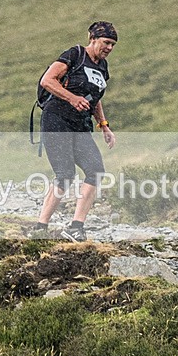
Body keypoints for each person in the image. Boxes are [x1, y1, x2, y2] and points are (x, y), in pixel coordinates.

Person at [30, 21, 118, 242]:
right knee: (65, 173)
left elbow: (95, 99)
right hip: (56, 119)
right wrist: (71, 97)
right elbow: (47, 80)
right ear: (93, 39)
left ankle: (76, 226)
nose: (109, 48)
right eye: (106, 42)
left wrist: (104, 126)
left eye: (113, 45)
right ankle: (41, 226)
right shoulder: (75, 54)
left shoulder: (102, 67)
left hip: (80, 125)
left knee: (96, 170)